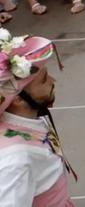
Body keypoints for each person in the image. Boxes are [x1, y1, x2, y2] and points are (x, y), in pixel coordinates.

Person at [0, 33, 76, 206]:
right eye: (43, 80)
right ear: (17, 99)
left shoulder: (27, 120)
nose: (52, 81)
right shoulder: (17, 161)